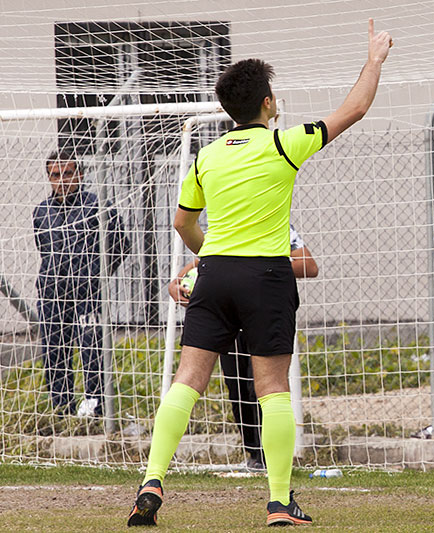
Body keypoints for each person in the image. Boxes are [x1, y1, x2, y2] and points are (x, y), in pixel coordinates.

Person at [127, 19, 392, 528]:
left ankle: (152, 478)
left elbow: (183, 222)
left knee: (186, 380)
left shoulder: (207, 155)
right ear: (268, 104)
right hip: (266, 277)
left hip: (216, 274)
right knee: (271, 387)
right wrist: (374, 59)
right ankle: (277, 502)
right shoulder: (283, 144)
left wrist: (206, 260)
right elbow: (355, 109)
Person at [167, 224, 318, 470]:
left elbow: (310, 266)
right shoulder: (226, 222)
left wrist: (258, 267)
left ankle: (274, 458)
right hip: (228, 312)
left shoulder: (278, 225)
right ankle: (254, 455)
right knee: (235, 384)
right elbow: (203, 258)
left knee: (263, 387)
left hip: (264, 310)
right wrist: (179, 281)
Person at [33, 150, 129, 418]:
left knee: (91, 347)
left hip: (89, 293)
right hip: (52, 292)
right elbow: (43, 248)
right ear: (48, 178)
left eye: (68, 173)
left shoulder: (99, 208)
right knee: (54, 349)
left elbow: (121, 245)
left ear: (81, 175)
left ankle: (94, 404)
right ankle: (61, 406)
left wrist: (96, 274)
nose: (62, 180)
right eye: (55, 175)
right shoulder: (41, 211)